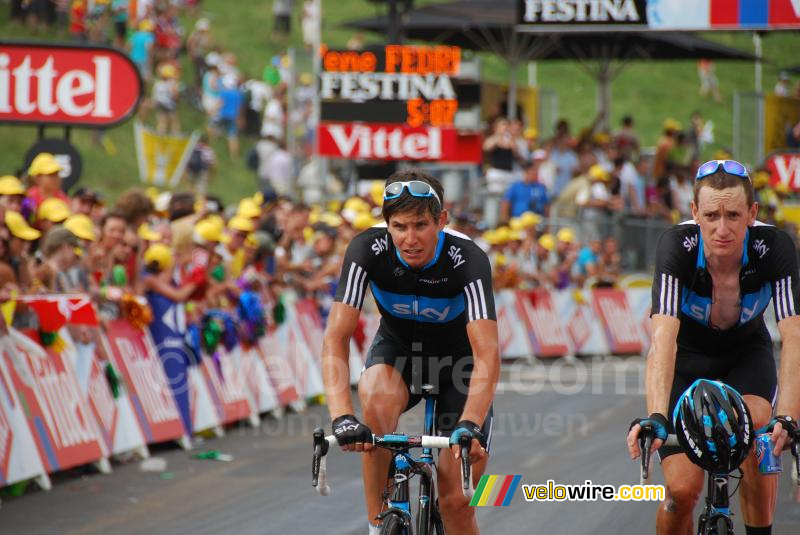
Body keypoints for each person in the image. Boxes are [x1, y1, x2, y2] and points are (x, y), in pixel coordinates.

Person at [626, 159, 800, 535]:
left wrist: (787, 415)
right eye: (712, 215)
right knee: (681, 493)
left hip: (745, 356)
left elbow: (795, 337)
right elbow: (662, 339)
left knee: (758, 435)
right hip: (686, 361)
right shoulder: (677, 247)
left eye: (734, 215)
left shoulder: (775, 247)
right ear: (694, 213)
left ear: (752, 213)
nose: (723, 228)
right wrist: (656, 416)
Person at [321, 169, 498, 535]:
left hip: (459, 367)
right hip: (399, 356)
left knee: (456, 503)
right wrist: (342, 417)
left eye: (421, 225)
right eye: (400, 227)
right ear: (387, 225)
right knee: (376, 403)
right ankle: (377, 524)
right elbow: (335, 337)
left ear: (442, 221)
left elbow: (487, 353)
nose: (410, 239)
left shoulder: (468, 259)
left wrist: (471, 423)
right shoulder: (366, 250)